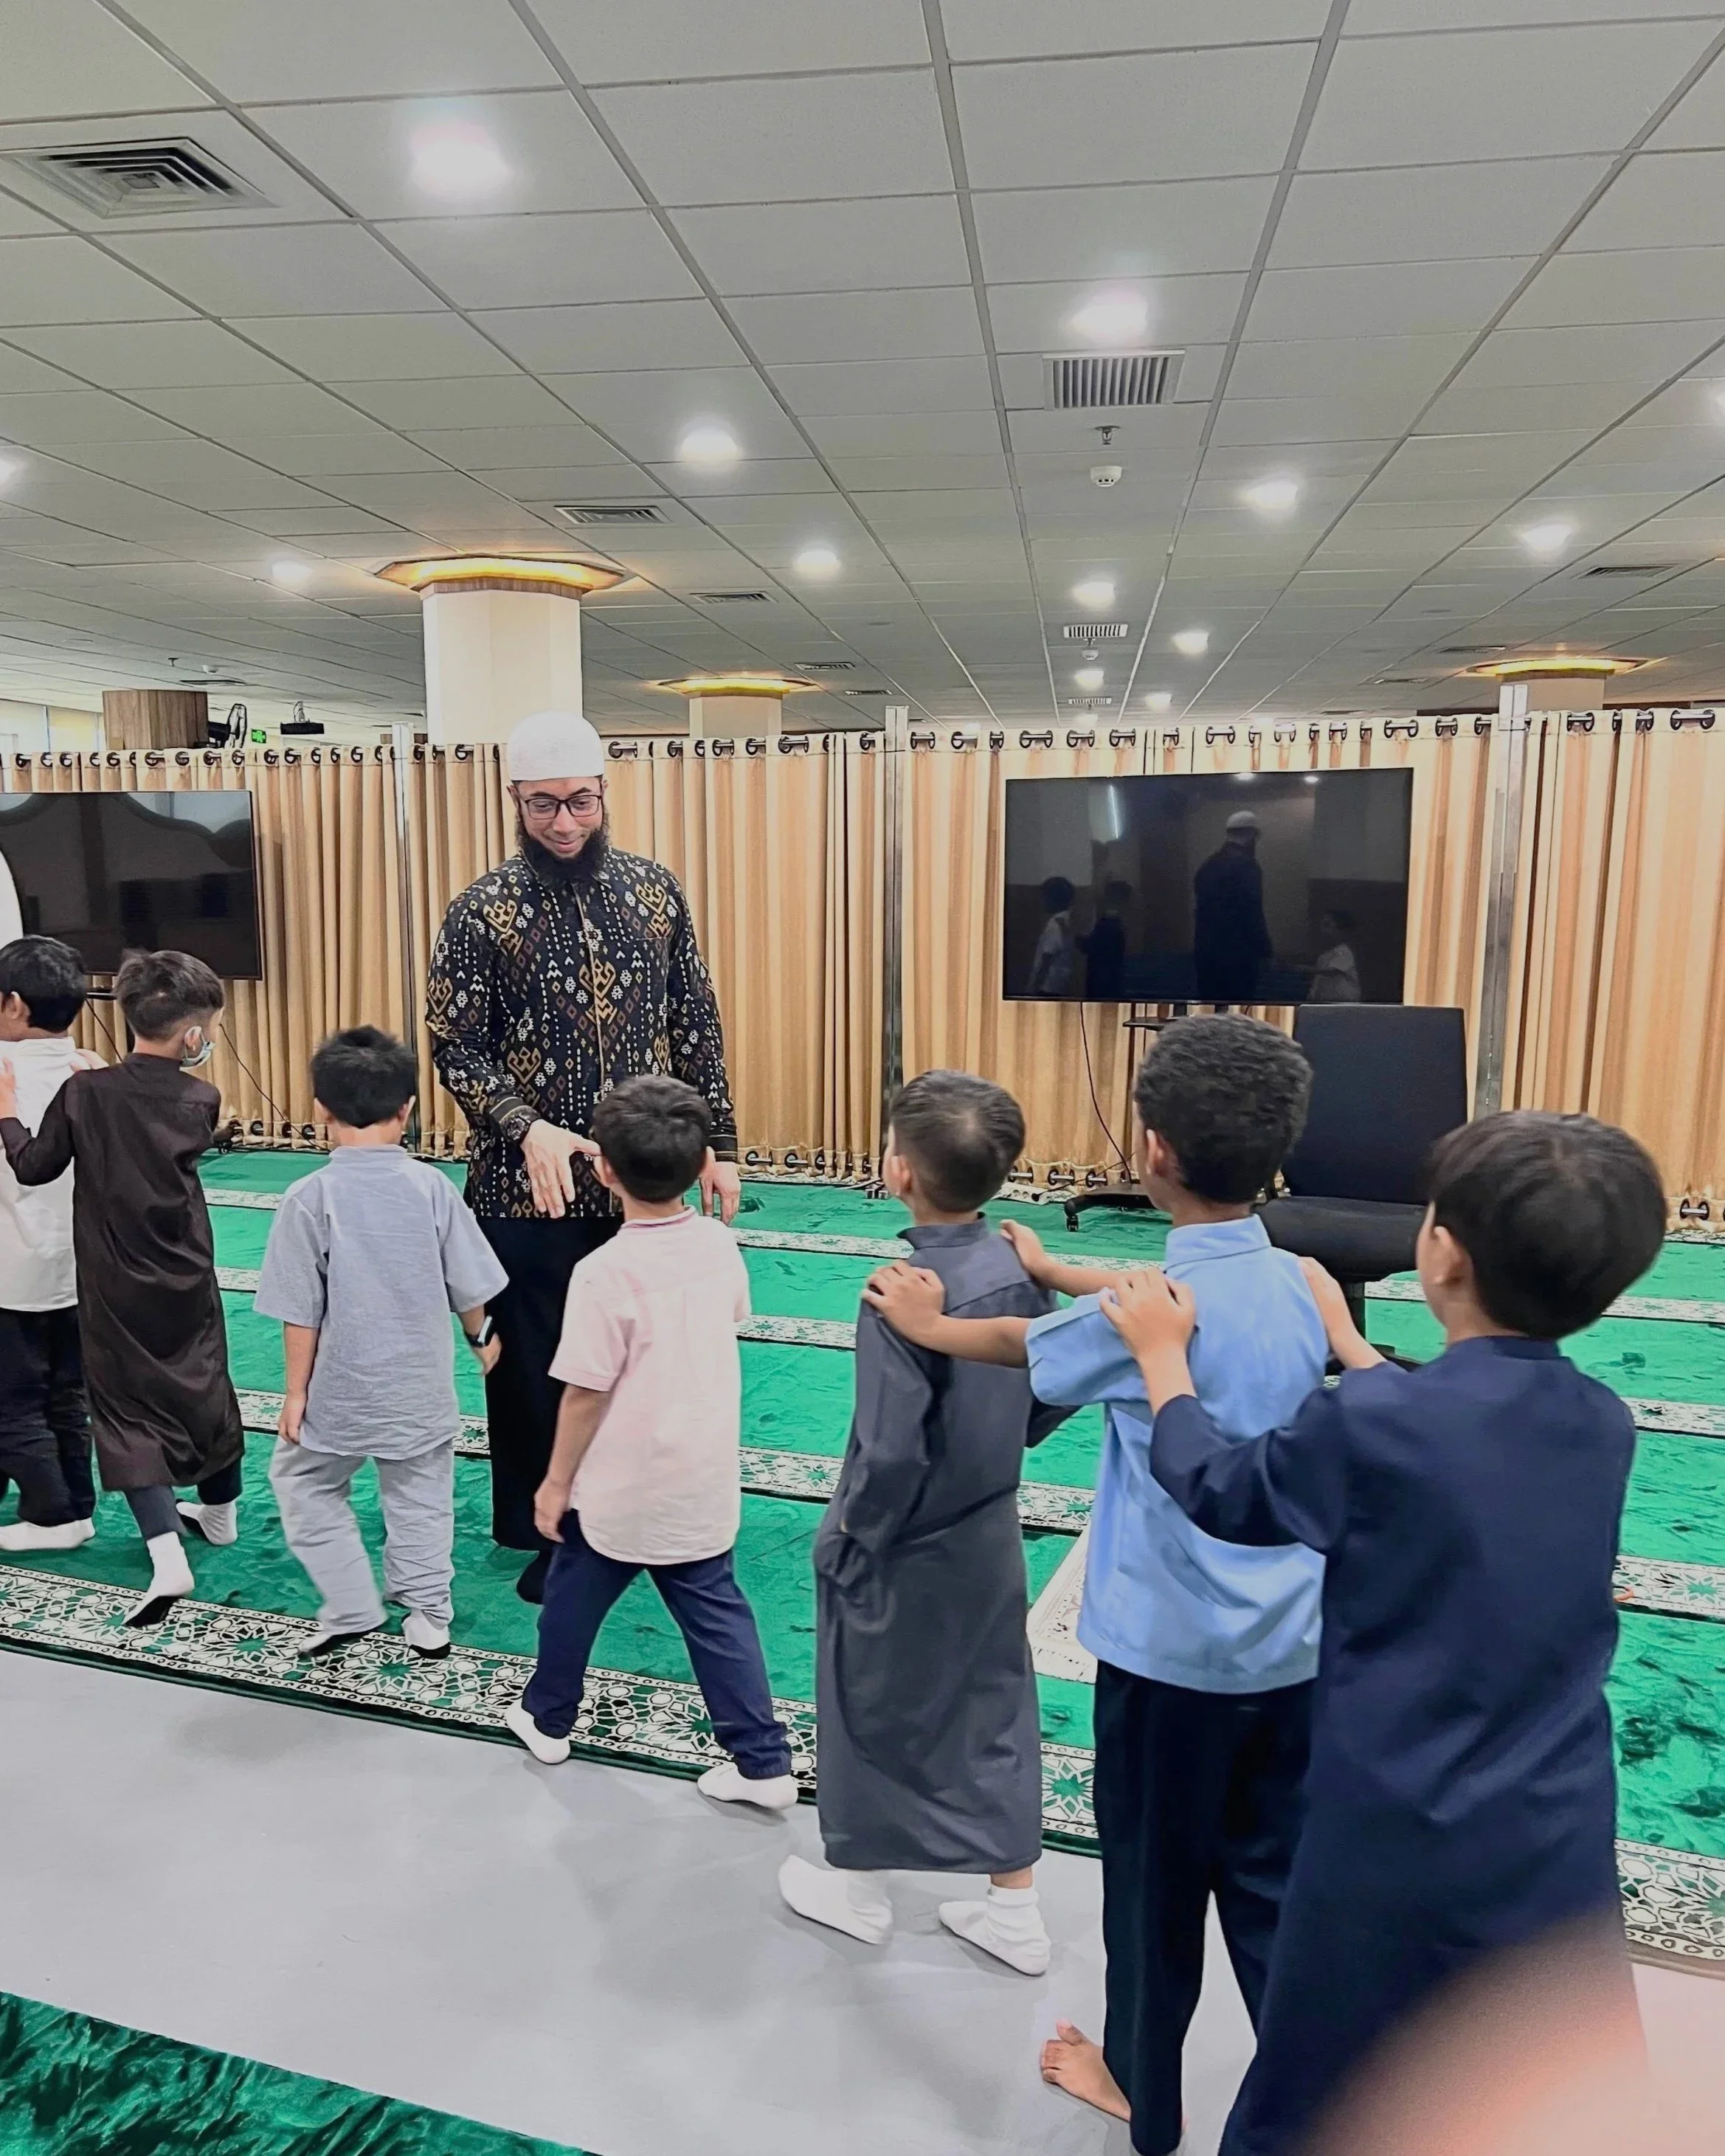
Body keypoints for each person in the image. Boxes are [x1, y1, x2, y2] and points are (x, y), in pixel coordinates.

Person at [1102, 1110, 1667, 2156]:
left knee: (1331, 2074)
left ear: (1438, 1248)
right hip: (1554, 1809)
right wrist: (1355, 1347)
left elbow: (1221, 1487)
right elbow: (1462, 1444)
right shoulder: (1599, 1418)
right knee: (1527, 2063)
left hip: (1397, 1816)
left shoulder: (1373, 1425)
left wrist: (1161, 1363)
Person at [865, 1015, 1324, 2156]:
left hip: (1170, 1666)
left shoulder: (1142, 1316)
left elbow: (1034, 1348)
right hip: (1298, 1657)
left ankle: (1142, 2098)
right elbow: (1129, 1293)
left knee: (1151, 1896)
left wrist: (932, 1318)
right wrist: (1054, 1263)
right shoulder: (1306, 1282)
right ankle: (1316, 2104)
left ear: (1150, 1149)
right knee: (1272, 1892)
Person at [426, 709, 743, 1606]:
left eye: (577, 803)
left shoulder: (654, 892)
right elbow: (455, 1044)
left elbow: (695, 1023)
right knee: (536, 1363)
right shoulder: (482, 909)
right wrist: (524, 1125)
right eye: (542, 807)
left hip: (644, 1177)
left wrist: (717, 1145)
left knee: (646, 1360)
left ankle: (637, 1514)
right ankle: (547, 1527)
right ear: (513, 802)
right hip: (526, 1187)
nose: (563, 824)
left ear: (605, 794)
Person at [778, 1071, 1069, 1974]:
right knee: (992, 1702)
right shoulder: (1024, 1269)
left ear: (898, 1170)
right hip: (988, 1527)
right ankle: (1013, 1909)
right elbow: (1053, 1382)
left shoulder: (902, 1294)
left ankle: (859, 1888)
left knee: (869, 1705)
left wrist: (853, 1537)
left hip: (905, 1540)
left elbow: (890, 1450)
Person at [502, 1074, 794, 1808]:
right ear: (703, 1168)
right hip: (700, 1475)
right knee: (717, 1611)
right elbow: (728, 1320)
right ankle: (763, 1760)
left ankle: (547, 1718)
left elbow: (584, 1392)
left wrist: (555, 1482)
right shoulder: (719, 1247)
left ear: (602, 1169)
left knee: (572, 1592)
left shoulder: (602, 1273)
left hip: (621, 1490)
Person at [0, 949, 244, 1627]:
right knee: (204, 1385)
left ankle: (168, 1556)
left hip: (111, 1279)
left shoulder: (87, 1093)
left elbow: (33, 1167)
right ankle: (219, 1515)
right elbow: (148, 1112)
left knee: (127, 1409)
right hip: (185, 1270)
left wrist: (9, 1111)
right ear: (194, 1035)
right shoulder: (202, 1098)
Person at [256, 1027, 508, 1660]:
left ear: (320, 1109)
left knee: (304, 1484)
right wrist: (481, 1339)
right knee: (421, 1497)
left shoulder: (307, 1198)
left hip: (338, 1391)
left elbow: (300, 1312)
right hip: (417, 1391)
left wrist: (294, 1393)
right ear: (408, 1110)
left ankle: (350, 1601)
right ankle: (429, 1613)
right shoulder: (432, 1190)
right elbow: (470, 1287)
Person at [0, 936, 100, 1553]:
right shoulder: (92, 1072)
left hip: (12, 1268)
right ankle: (76, 1506)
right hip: (83, 1268)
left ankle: (50, 1511)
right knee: (67, 1392)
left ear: (12, 1005)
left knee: (13, 1400)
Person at [1192, 808, 1271, 1003]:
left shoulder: (1208, 865)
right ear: (1252, 834)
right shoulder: (1246, 866)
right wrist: (1265, 950)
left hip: (1206, 953)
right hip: (1238, 956)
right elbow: (1252, 912)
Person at [1079, 880, 1132, 1001]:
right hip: (1111, 980)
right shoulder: (1117, 924)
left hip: (1102, 982)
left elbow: (1094, 947)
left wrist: (1074, 937)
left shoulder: (1108, 924)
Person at [1027, 876, 1079, 996]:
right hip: (1059, 984)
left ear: (1053, 899)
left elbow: (1046, 958)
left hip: (1046, 986)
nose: (1041, 901)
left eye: (1044, 897)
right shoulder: (1067, 921)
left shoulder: (1055, 924)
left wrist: (1034, 986)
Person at [1307, 909, 1361, 1003]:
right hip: (1326, 1002)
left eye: (1328, 925)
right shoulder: (1324, 956)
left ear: (1342, 930)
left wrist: (1303, 969)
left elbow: (1332, 972)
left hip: (1344, 1004)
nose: (1323, 930)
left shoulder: (1345, 951)